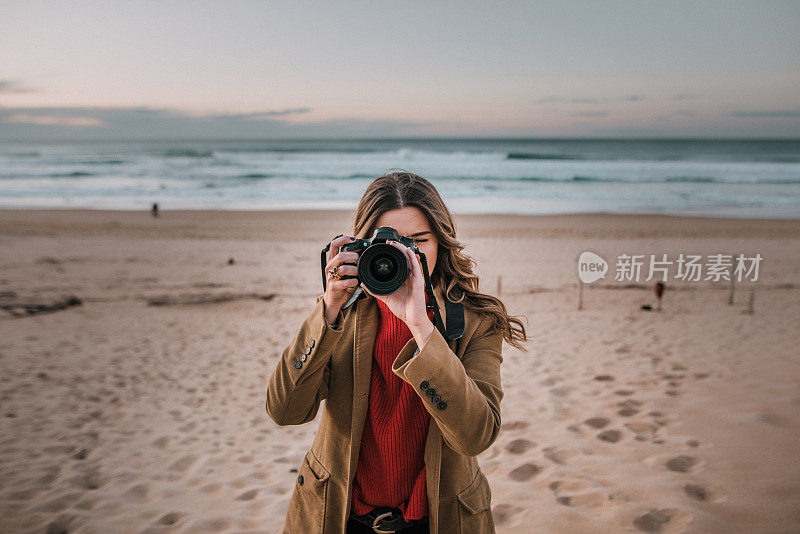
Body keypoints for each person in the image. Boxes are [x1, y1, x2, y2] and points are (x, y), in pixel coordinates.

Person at [265, 170, 528, 534]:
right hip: (340, 515)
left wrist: (422, 327)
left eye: (417, 242)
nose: (402, 255)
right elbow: (284, 410)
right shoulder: (341, 314)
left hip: (436, 519)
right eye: (390, 244)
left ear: (441, 242)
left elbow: (476, 436)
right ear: (362, 246)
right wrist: (327, 310)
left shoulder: (475, 322)